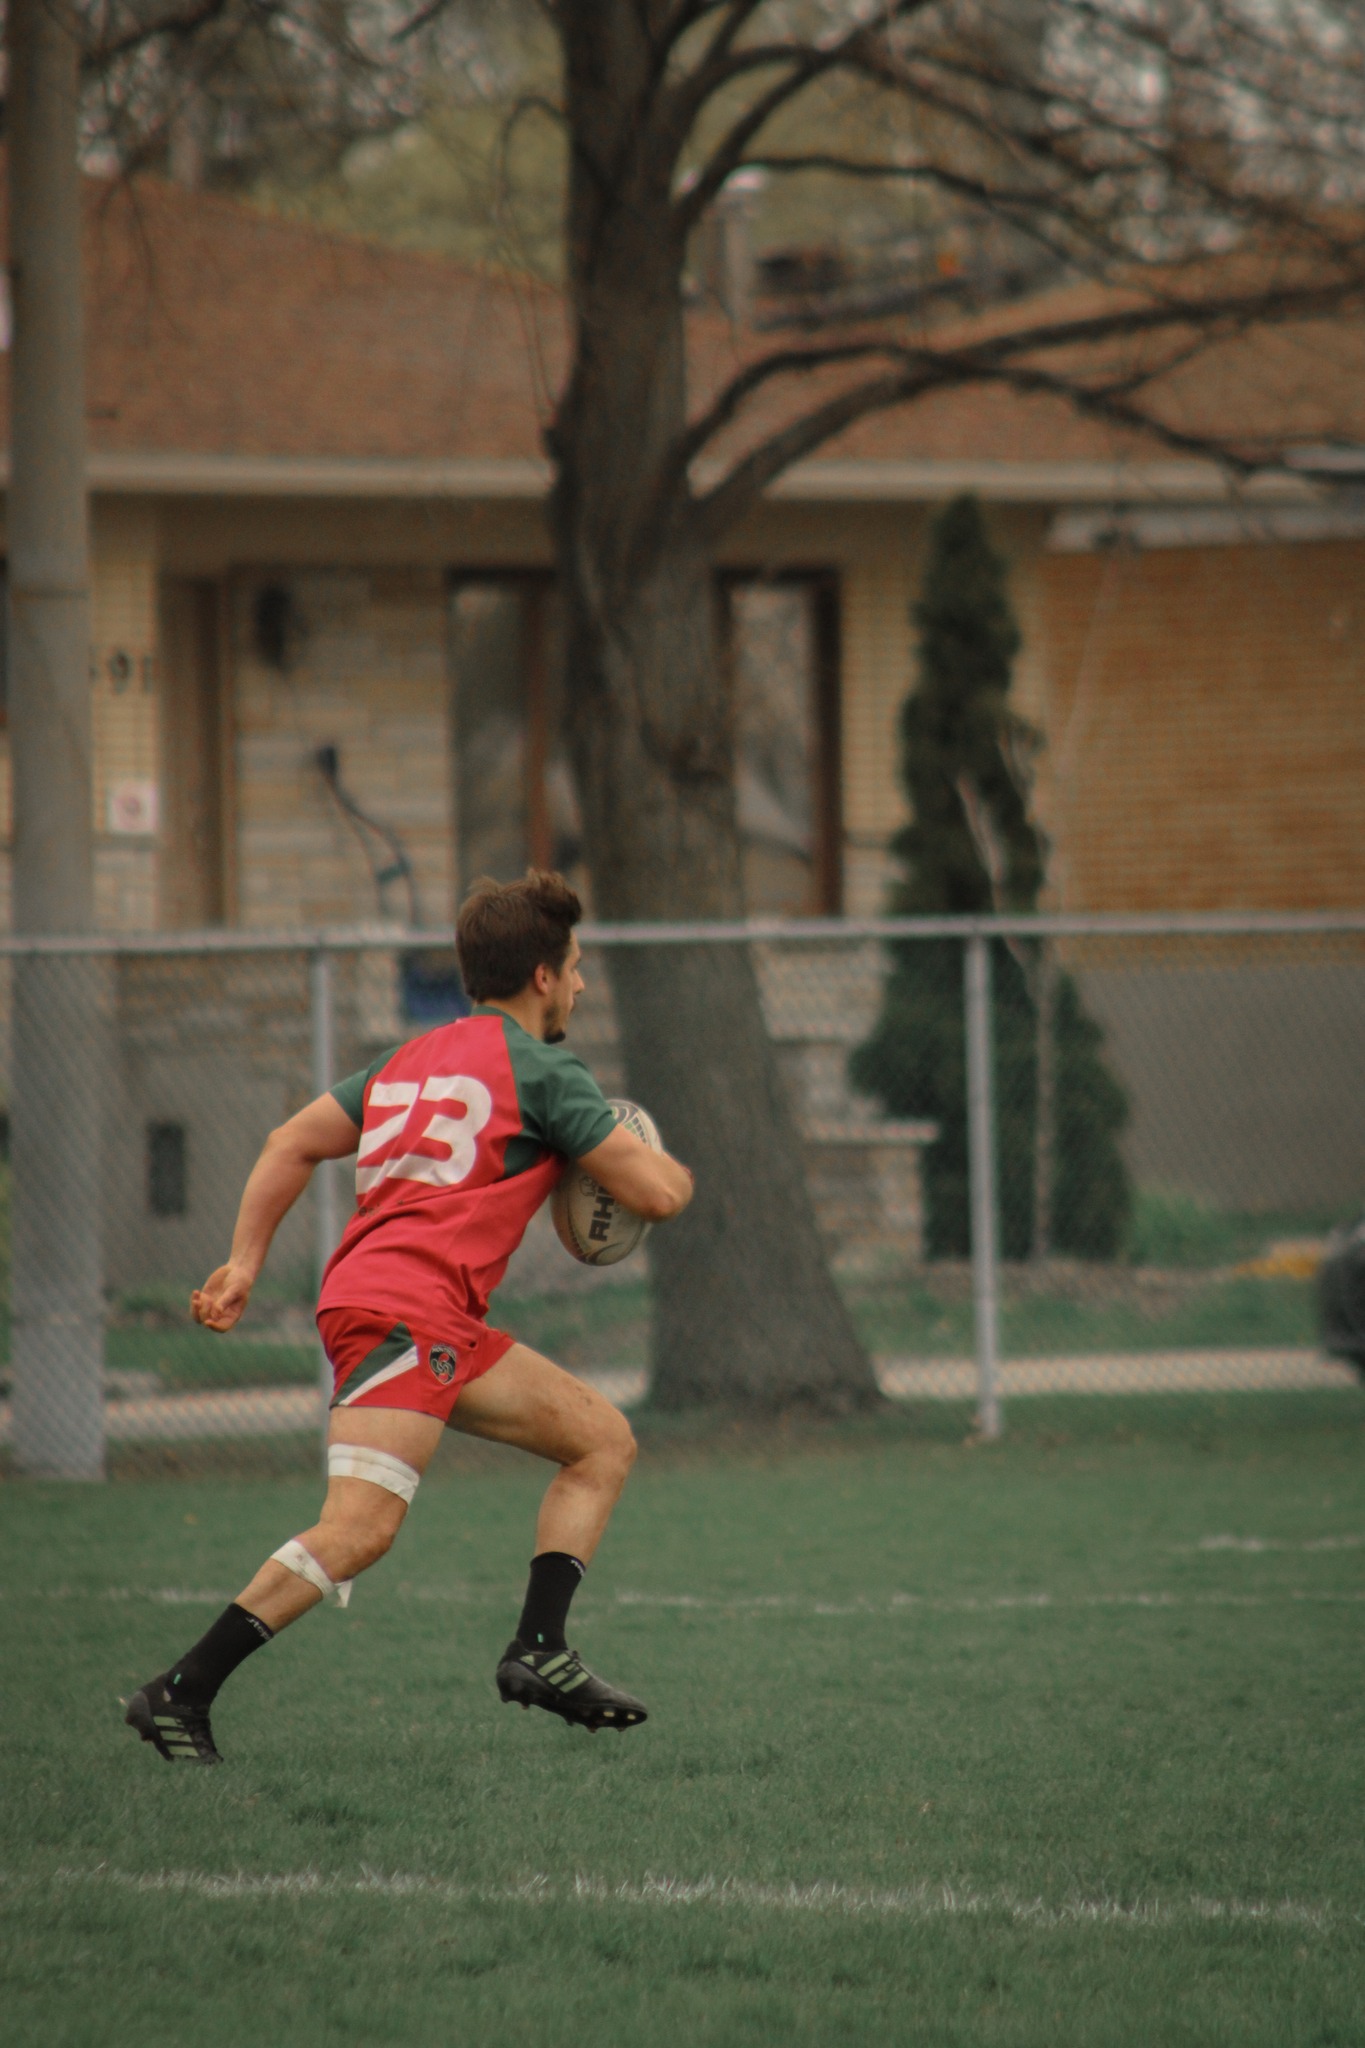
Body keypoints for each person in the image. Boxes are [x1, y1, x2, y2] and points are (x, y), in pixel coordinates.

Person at [125, 870, 694, 1764]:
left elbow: (290, 1142)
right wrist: (663, 1163)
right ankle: (178, 1692)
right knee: (360, 1529)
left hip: (427, 1315)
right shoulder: (545, 1071)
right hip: (403, 1312)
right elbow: (656, 1192)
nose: (581, 984)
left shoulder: (407, 1061)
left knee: (602, 1440)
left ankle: (539, 1650)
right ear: (541, 977)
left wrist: (243, 1263)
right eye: (576, 967)